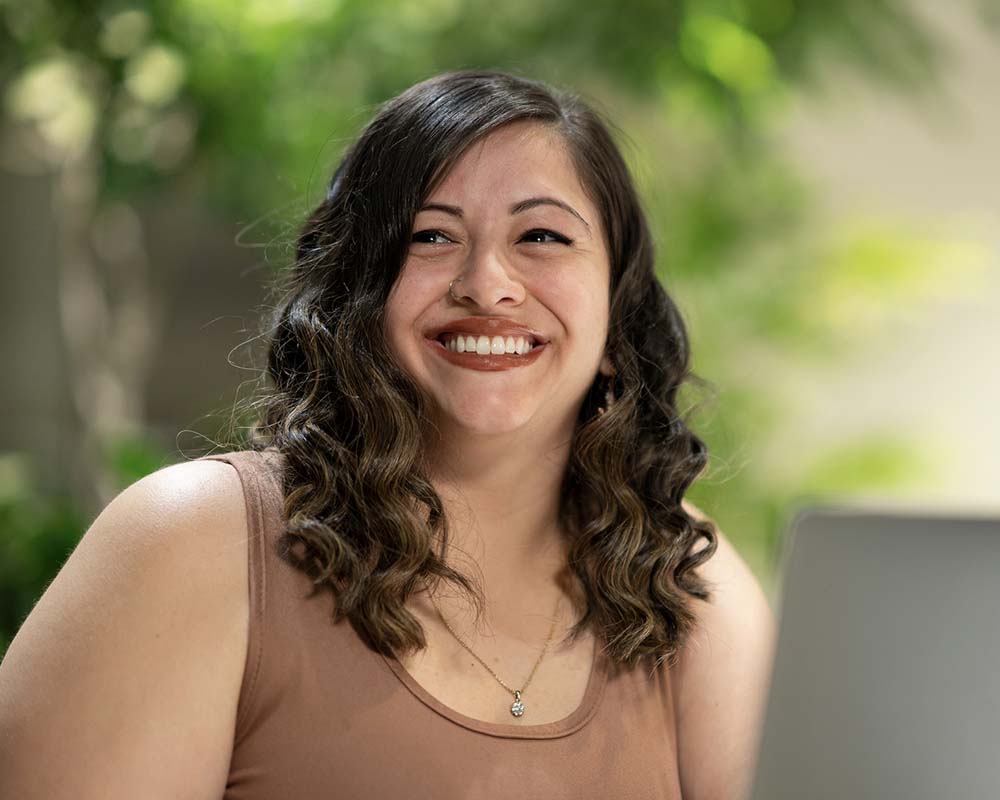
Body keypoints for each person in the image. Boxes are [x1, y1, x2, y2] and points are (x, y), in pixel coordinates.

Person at [0, 69, 776, 799]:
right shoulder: (197, 539)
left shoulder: (684, 582)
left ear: (617, 316)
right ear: (356, 296)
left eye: (542, 237)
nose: (488, 283)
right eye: (430, 237)